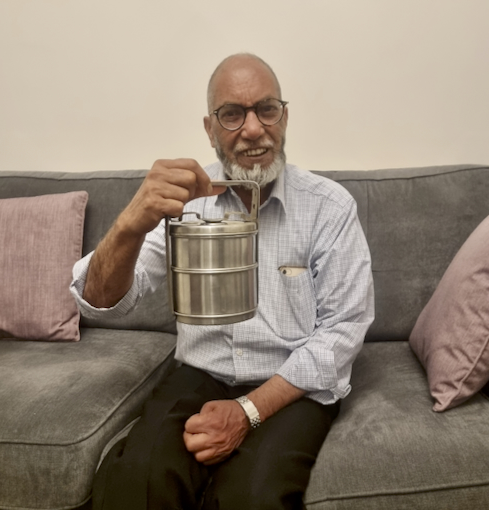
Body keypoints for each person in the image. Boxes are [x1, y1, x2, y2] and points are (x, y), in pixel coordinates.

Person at [71, 53, 374, 510]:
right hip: (199, 372)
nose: (253, 129)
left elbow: (342, 332)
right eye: (232, 114)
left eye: (266, 109)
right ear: (210, 130)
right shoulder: (185, 200)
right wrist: (133, 221)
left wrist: (247, 412)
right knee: (137, 483)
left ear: (284, 118)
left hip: (288, 383)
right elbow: (99, 301)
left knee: (252, 497)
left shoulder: (329, 207)